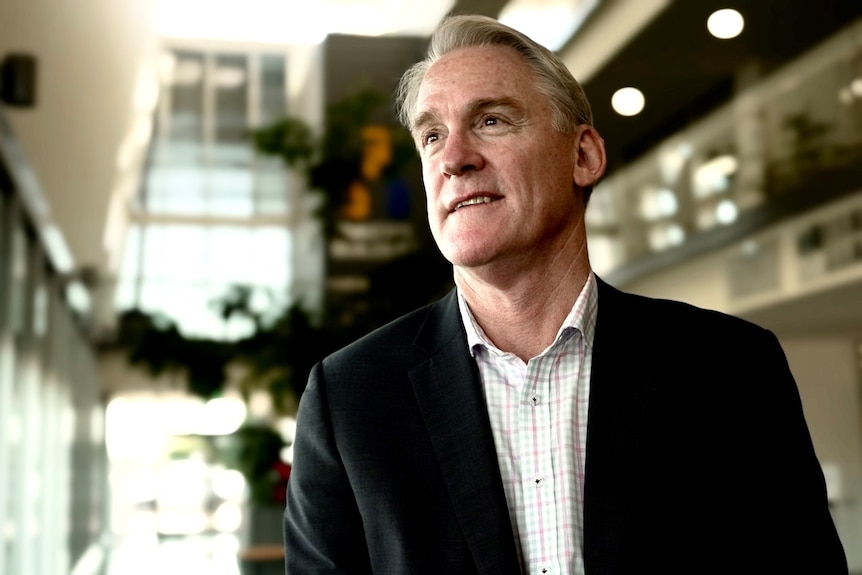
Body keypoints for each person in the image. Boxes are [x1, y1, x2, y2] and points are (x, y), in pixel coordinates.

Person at [283, 14, 847, 575]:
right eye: (432, 136)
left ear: (583, 157)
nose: (454, 158)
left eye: (492, 120)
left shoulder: (731, 366)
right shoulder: (349, 399)